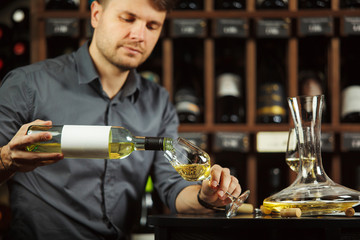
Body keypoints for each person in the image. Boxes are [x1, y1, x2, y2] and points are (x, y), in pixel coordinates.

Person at [0, 0, 242, 239]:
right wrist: (7, 159)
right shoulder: (27, 85)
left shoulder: (157, 101)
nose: (139, 35)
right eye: (128, 18)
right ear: (96, 14)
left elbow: (172, 188)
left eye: (152, 25)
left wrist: (205, 196)